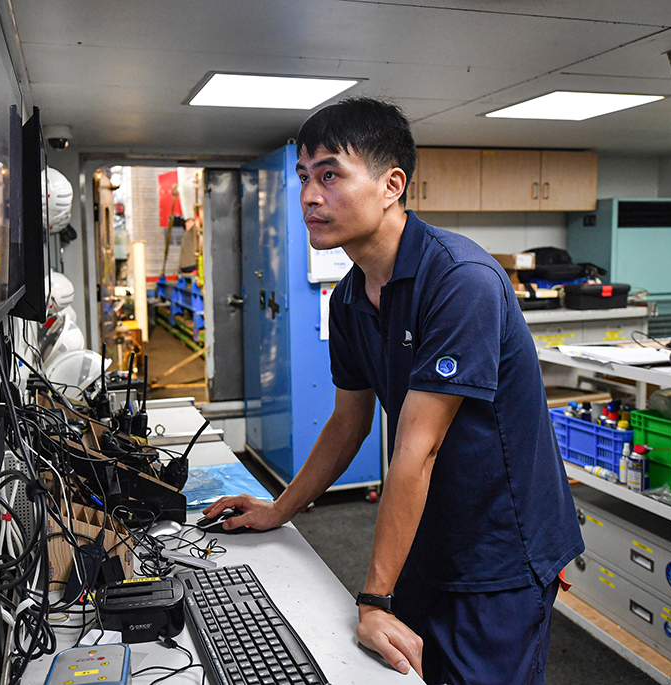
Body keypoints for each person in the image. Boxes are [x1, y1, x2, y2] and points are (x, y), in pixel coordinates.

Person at [203, 97, 584, 684]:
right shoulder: (352, 296)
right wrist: (279, 509)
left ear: (391, 185)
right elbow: (347, 422)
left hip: (501, 546)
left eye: (330, 175)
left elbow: (417, 448)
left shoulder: (461, 281)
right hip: (427, 528)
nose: (309, 195)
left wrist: (374, 600)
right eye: (304, 178)